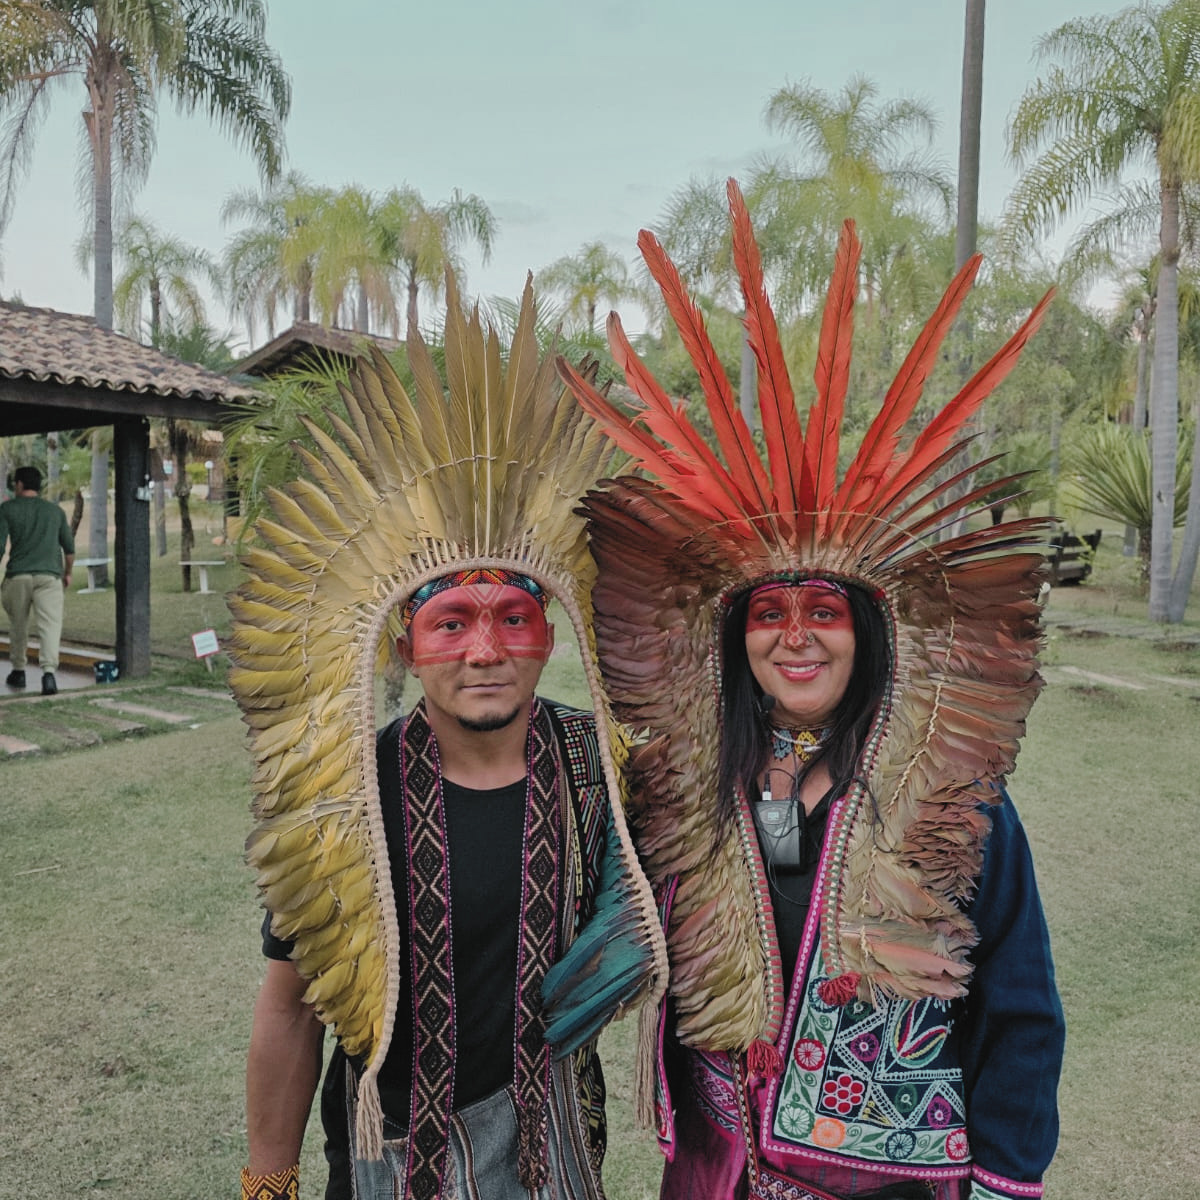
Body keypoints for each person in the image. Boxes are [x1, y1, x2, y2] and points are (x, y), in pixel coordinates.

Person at [559, 181, 1066, 1200]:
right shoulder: (686, 799)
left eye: (824, 610)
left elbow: (1021, 1008)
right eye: (768, 612)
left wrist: (1008, 1182)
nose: (796, 636)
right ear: (731, 636)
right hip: (716, 1177)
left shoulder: (958, 810)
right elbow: (612, 946)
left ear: (866, 634)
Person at [229, 279, 665, 1200]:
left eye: (513, 618)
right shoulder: (351, 786)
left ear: (550, 634)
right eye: (453, 622)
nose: (485, 651)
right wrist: (268, 1184)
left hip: (557, 1161)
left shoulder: (607, 773)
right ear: (406, 643)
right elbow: (290, 1008)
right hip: (389, 1161)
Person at [1, 465, 75, 695]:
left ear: (20, 484)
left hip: (19, 576)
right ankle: (49, 675)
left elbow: (0, 547)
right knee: (50, 626)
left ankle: (19, 671)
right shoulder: (55, 512)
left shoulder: (7, 509)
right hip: (49, 577)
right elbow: (69, 549)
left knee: (18, 624)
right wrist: (67, 572)